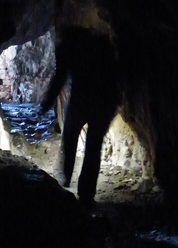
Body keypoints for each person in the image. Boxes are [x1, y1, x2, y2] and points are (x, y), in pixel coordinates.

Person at [41, 27, 120, 205]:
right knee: (93, 146)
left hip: (83, 99)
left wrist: (47, 103)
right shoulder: (101, 45)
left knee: (70, 136)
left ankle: (65, 179)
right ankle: (86, 193)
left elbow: (59, 78)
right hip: (104, 100)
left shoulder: (69, 47)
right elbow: (115, 74)